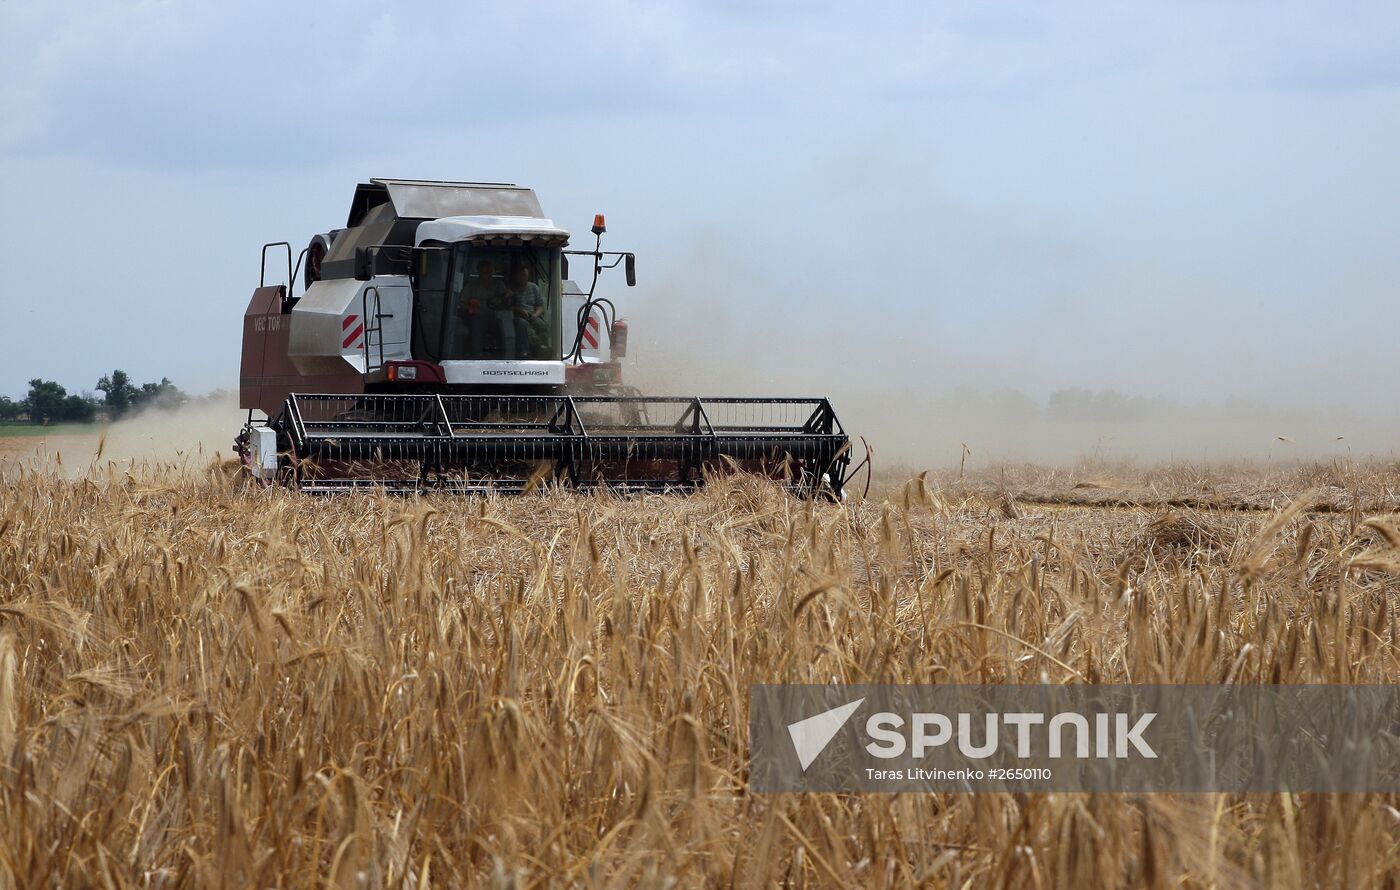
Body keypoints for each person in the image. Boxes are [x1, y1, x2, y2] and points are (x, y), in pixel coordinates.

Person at [462, 260, 513, 356]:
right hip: (477, 316)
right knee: (478, 321)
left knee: (506, 321)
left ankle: (507, 353)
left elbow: (506, 301)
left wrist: (507, 296)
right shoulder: (471, 286)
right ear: (479, 272)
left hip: (496, 316)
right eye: (485, 272)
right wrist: (473, 309)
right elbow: (462, 303)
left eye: (490, 272)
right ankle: (477, 353)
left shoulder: (499, 284)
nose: (488, 275)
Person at [505, 260, 546, 358]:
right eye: (521, 275)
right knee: (523, 325)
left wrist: (535, 315)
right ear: (516, 276)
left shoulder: (534, 288)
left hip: (532, 315)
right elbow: (507, 307)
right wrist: (520, 311)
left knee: (544, 326)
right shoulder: (511, 289)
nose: (523, 277)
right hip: (516, 317)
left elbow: (541, 306)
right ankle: (525, 352)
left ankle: (544, 349)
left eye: (525, 275)